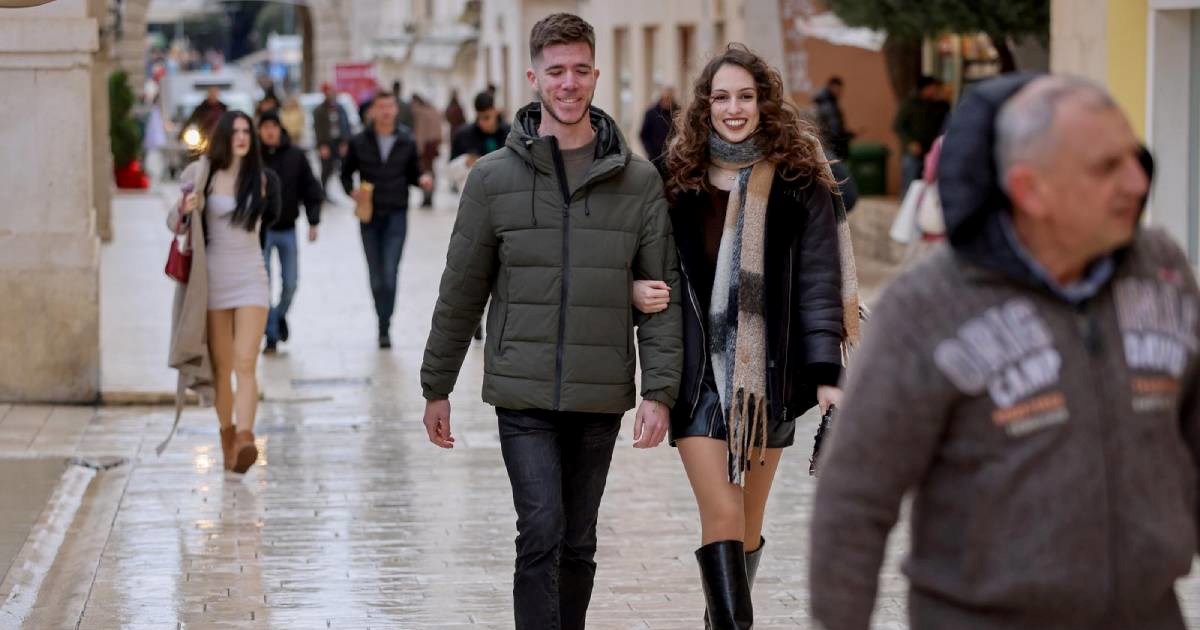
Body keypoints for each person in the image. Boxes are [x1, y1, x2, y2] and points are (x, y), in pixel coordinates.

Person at [809, 74, 1197, 629]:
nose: (1138, 182)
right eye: (1106, 167)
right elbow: (854, 500)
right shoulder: (927, 307)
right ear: (1030, 189)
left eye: (1136, 159)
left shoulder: (1161, 270)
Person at [419, 13, 682, 629]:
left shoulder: (638, 180)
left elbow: (661, 294)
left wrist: (659, 391)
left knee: (579, 540)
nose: (569, 83)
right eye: (556, 71)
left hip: (599, 389)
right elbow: (461, 291)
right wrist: (437, 385)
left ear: (596, 75)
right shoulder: (492, 179)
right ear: (533, 77)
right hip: (523, 389)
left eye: (580, 70)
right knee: (541, 528)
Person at [631, 44, 859, 629]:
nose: (733, 109)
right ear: (705, 105)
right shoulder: (673, 179)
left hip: (769, 379)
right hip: (697, 377)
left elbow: (819, 282)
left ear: (764, 103)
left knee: (747, 527)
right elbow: (636, 256)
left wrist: (827, 373)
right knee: (724, 514)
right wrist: (634, 287)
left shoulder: (799, 180)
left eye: (745, 97)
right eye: (722, 97)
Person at [169, 111, 280, 474]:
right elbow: (173, 223)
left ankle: (246, 438)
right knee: (223, 367)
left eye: (247, 131)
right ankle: (228, 439)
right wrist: (185, 208)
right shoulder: (202, 175)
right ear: (224, 137)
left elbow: (276, 217)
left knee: (246, 362)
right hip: (214, 282)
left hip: (252, 278)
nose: (242, 137)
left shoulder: (262, 179)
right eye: (235, 132)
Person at [341, 90, 434, 348]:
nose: (385, 111)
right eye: (380, 107)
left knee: (390, 274)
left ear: (395, 110)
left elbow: (413, 173)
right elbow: (345, 173)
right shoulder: (359, 141)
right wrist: (352, 191)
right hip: (369, 216)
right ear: (373, 111)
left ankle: (385, 324)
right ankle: (381, 319)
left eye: (389, 106)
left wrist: (422, 179)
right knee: (376, 278)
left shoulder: (406, 139)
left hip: (396, 214)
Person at [257, 111, 324, 354]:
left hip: (287, 229)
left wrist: (313, 221)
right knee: (263, 285)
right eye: (265, 126)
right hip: (261, 232)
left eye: (273, 126)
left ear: (280, 128)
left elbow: (311, 189)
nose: (269, 131)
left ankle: (276, 317)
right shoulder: (253, 157)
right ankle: (271, 335)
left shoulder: (296, 156)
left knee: (291, 284)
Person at [893, 75, 949, 196]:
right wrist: (910, 143)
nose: (935, 91)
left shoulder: (938, 105)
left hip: (932, 151)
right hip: (913, 151)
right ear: (925, 88)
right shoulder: (910, 104)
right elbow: (898, 126)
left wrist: (943, 102)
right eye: (933, 88)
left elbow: (945, 124)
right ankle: (906, 205)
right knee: (910, 182)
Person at [448, 90, 510, 190]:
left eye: (486, 118)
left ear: (495, 111)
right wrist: (465, 162)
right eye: (479, 118)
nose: (482, 123)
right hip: (474, 194)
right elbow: (450, 171)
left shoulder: (510, 134)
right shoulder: (464, 135)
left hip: (503, 192)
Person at [313, 83, 352, 194]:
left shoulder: (340, 108)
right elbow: (318, 129)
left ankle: (346, 191)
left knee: (344, 169)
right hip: (326, 143)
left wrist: (345, 142)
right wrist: (322, 145)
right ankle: (323, 192)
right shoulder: (319, 110)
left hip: (339, 143)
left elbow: (346, 126)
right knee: (326, 170)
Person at [410, 94, 443, 208]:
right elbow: (438, 131)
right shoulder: (434, 111)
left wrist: (418, 148)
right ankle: (429, 196)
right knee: (430, 170)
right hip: (432, 145)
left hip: (425, 146)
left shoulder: (421, 113)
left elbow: (420, 132)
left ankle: (427, 196)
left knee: (425, 171)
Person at [638, 85, 678, 175]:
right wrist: (651, 152)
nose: (667, 101)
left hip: (675, 159)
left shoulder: (679, 112)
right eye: (665, 98)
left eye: (669, 98)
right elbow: (643, 135)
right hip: (656, 159)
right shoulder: (651, 113)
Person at [813, 75, 853, 159]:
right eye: (838, 89)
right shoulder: (827, 105)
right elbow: (834, 129)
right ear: (831, 87)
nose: (839, 93)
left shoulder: (827, 102)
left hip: (830, 145)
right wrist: (844, 136)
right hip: (830, 146)